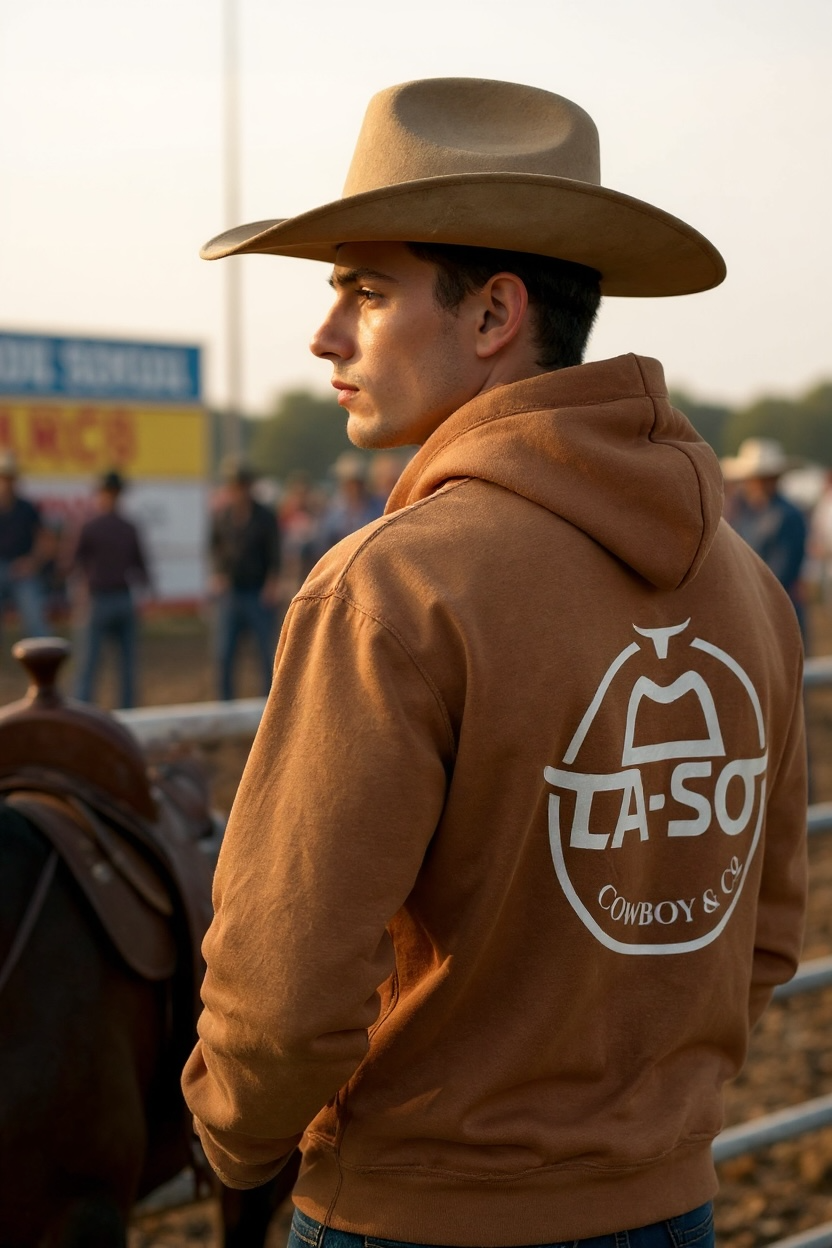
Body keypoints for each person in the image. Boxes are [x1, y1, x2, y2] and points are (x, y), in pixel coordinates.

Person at [182, 79, 808, 1248]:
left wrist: (236, 1137)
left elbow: (283, 991)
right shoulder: (746, 584)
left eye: (365, 293)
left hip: (420, 1211)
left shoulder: (391, 586)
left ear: (492, 316)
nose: (325, 336)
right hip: (669, 1200)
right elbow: (763, 933)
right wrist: (636, 1118)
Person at [70, 470, 151, 709]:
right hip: (118, 598)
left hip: (103, 599)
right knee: (121, 666)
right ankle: (125, 717)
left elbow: (72, 563)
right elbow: (142, 568)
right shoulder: (126, 527)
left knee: (90, 665)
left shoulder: (90, 526)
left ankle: (82, 715)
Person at [209, 459, 282, 700]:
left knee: (266, 654)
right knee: (224, 655)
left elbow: (274, 553)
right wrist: (218, 574)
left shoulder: (265, 517)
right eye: (234, 485)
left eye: (242, 485)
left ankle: (269, 707)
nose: (238, 490)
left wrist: (271, 584)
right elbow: (215, 548)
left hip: (257, 592)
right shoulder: (222, 517)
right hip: (231, 593)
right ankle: (225, 707)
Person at [721, 438, 808, 641]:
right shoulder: (746, 513)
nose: (754, 484)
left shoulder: (788, 515)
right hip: (752, 605)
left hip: (777, 608)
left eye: (762, 478)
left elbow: (782, 573)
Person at [0, 450, 51, 643]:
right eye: (3, 477)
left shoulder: (26, 508)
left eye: (10, 477)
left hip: (21, 570)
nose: (6, 482)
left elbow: (45, 541)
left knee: (36, 620)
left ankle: (43, 662)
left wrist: (32, 562)